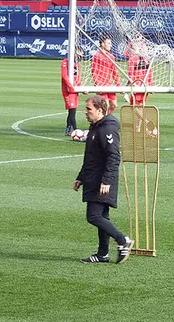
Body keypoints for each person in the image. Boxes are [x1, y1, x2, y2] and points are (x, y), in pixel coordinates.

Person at [73, 96, 134, 264]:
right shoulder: (96, 127)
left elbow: (113, 157)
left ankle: (123, 240)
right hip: (93, 179)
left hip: (102, 182)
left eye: (89, 109)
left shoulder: (106, 130)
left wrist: (106, 181)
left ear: (100, 110)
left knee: (93, 216)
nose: (85, 112)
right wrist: (81, 177)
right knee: (102, 217)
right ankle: (102, 254)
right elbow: (91, 158)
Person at [91, 36, 120, 114]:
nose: (110, 45)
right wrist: (97, 84)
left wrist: (118, 85)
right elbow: (94, 71)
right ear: (103, 44)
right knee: (105, 105)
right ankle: (104, 122)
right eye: (108, 43)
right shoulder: (97, 56)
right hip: (101, 85)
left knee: (114, 105)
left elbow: (114, 72)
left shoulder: (111, 57)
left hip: (109, 85)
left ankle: (105, 119)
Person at [61, 46, 83, 136]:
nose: (82, 55)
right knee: (72, 110)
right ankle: (76, 130)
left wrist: (81, 88)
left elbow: (78, 78)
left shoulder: (77, 64)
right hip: (68, 91)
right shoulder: (65, 62)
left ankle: (68, 128)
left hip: (75, 91)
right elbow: (64, 76)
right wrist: (70, 86)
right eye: (80, 53)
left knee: (72, 111)